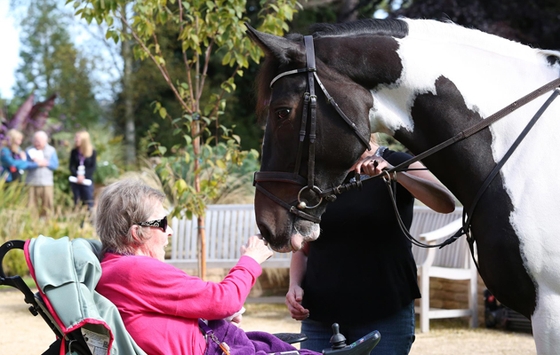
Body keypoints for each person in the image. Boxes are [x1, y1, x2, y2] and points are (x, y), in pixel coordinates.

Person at [94, 178, 328, 355]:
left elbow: (179, 312)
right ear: (137, 234)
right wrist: (251, 259)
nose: (170, 231)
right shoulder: (134, 271)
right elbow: (224, 300)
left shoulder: (115, 269)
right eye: (163, 223)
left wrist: (216, 317)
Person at [285, 136, 456, 355]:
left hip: (384, 312)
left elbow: (446, 203)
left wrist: (396, 174)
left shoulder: (397, 161)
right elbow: (305, 244)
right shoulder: (319, 174)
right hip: (320, 317)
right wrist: (294, 284)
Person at [25, 130, 59, 216]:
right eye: (35, 141)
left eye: (39, 141)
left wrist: (46, 163)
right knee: (31, 205)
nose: (37, 143)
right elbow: (25, 165)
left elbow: (55, 165)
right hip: (31, 182)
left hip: (46, 182)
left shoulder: (51, 150)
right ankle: (32, 224)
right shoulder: (29, 150)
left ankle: (47, 224)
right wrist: (37, 164)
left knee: (47, 205)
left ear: (45, 141)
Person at [69, 130, 96, 209]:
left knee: (88, 201)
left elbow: (93, 167)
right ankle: (79, 219)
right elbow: (71, 166)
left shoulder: (92, 152)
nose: (76, 139)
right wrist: (77, 175)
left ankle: (90, 219)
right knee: (77, 202)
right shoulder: (74, 152)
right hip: (76, 180)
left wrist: (84, 176)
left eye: (78, 138)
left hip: (87, 181)